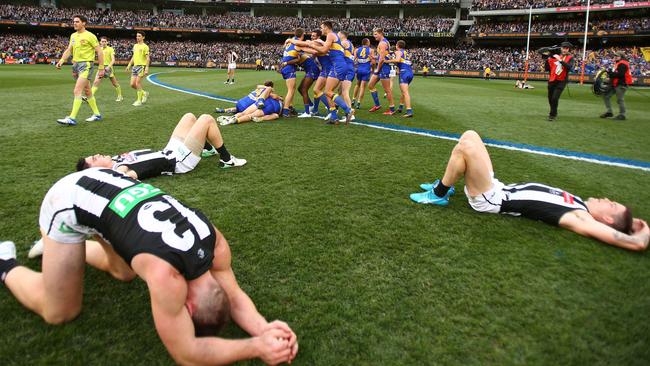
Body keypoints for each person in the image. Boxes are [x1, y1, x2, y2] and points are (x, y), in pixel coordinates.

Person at [0, 168, 298, 365]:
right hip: (67, 200)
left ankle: (60, 252)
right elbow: (187, 353)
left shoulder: (214, 243)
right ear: (188, 308)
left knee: (124, 272)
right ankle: (6, 262)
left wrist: (264, 327)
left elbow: (233, 295)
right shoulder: (166, 276)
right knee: (59, 312)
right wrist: (256, 347)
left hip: (110, 188)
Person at [409, 130, 649, 252]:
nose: (608, 199)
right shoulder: (579, 203)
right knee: (470, 135)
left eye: (612, 205)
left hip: (491, 199)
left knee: (464, 148)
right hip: (499, 188)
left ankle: (439, 194)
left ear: (606, 219)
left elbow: (633, 243)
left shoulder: (580, 217)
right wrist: (628, 221)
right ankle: (445, 186)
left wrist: (642, 233)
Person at [77, 113, 247, 179]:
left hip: (169, 150)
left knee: (189, 117)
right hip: (179, 161)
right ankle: (226, 159)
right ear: (96, 170)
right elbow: (126, 177)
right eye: (94, 158)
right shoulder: (118, 170)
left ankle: (207, 149)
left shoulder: (114, 160)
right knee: (207, 119)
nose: (97, 154)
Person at [289, 21, 354, 124]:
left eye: (322, 27)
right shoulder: (331, 37)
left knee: (328, 92)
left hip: (337, 66)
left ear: (326, 27)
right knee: (327, 92)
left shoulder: (331, 35)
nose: (321, 29)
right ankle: (334, 117)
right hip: (337, 65)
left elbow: (323, 50)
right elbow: (319, 50)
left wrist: (298, 43)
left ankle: (348, 110)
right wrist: (305, 46)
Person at [55, 15, 104, 126]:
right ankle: (97, 114)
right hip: (76, 65)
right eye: (74, 22)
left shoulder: (90, 36)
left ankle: (72, 118)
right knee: (87, 91)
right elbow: (69, 50)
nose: (74, 23)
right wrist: (62, 60)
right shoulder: (73, 36)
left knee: (77, 91)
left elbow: (100, 52)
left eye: (77, 21)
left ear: (84, 23)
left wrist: (101, 68)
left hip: (86, 65)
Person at [540, 41, 574, 121]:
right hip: (552, 79)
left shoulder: (570, 58)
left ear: (568, 49)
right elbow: (547, 69)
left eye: (566, 48)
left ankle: (552, 114)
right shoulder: (555, 56)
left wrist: (560, 60)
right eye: (563, 48)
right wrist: (547, 59)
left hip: (561, 81)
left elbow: (569, 67)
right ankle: (553, 112)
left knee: (555, 98)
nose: (564, 50)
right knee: (550, 98)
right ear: (561, 48)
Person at [367, 28, 396, 115]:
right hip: (381, 68)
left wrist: (377, 69)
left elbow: (382, 59)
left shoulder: (383, 43)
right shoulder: (383, 42)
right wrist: (374, 57)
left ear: (380, 34)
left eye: (375, 34)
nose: (374, 36)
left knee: (387, 90)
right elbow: (381, 56)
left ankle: (392, 109)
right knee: (370, 85)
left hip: (383, 68)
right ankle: (377, 105)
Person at [600, 51, 632, 121]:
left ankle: (622, 114)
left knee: (620, 99)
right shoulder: (619, 63)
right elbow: (617, 74)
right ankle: (609, 112)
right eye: (615, 56)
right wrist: (611, 73)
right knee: (606, 96)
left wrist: (611, 73)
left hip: (621, 84)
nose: (615, 57)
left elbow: (620, 74)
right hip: (616, 84)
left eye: (617, 56)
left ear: (621, 57)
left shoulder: (622, 64)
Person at [385, 40, 414, 117]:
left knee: (405, 92)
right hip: (410, 72)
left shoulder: (398, 52)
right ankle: (400, 107)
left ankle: (409, 111)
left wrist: (387, 61)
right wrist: (397, 68)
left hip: (404, 72)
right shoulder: (406, 53)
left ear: (397, 45)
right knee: (404, 91)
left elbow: (397, 60)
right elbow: (401, 62)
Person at [280, 29, 304, 118]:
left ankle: (290, 107)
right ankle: (285, 111)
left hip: (286, 66)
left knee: (292, 88)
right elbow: (305, 51)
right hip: (288, 67)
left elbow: (285, 48)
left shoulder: (290, 40)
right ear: (302, 35)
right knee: (290, 89)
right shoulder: (297, 43)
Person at [91, 36, 123, 102]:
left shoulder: (110, 49)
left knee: (115, 83)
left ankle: (120, 96)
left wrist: (109, 66)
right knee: (96, 82)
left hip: (108, 68)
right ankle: (90, 97)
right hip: (101, 68)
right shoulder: (99, 49)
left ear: (107, 42)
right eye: (102, 41)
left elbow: (113, 59)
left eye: (105, 41)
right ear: (100, 42)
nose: (104, 43)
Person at [125, 31, 150, 107]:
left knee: (137, 83)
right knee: (132, 84)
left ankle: (139, 100)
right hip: (135, 67)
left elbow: (148, 58)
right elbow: (133, 56)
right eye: (137, 36)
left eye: (139, 36)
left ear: (143, 37)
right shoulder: (135, 46)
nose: (137, 37)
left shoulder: (145, 46)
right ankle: (144, 93)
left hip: (141, 66)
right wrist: (129, 65)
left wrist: (146, 68)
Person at [351, 38, 372, 110]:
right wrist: (373, 68)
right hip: (366, 70)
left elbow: (353, 59)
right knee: (362, 87)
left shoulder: (357, 50)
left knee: (357, 84)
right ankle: (358, 103)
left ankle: (353, 99)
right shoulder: (371, 50)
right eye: (369, 41)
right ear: (367, 43)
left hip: (359, 69)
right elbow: (373, 61)